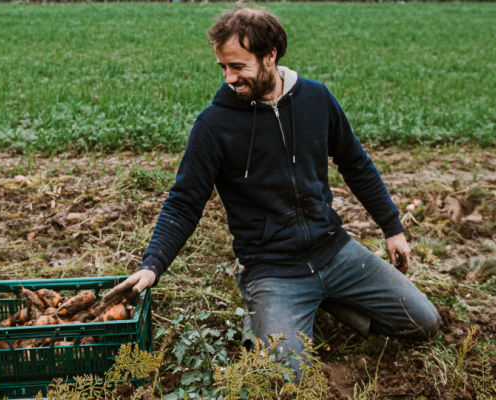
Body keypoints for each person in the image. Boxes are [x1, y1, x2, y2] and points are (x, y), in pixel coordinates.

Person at [109, 5, 440, 376]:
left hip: (334, 249)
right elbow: (183, 204)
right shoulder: (213, 126)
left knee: (424, 323)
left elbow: (355, 162)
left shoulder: (317, 99)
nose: (229, 78)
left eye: (238, 66)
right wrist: (152, 265)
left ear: (270, 56)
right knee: (286, 377)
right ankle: (277, 310)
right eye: (223, 67)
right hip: (272, 269)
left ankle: (330, 303)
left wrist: (392, 228)